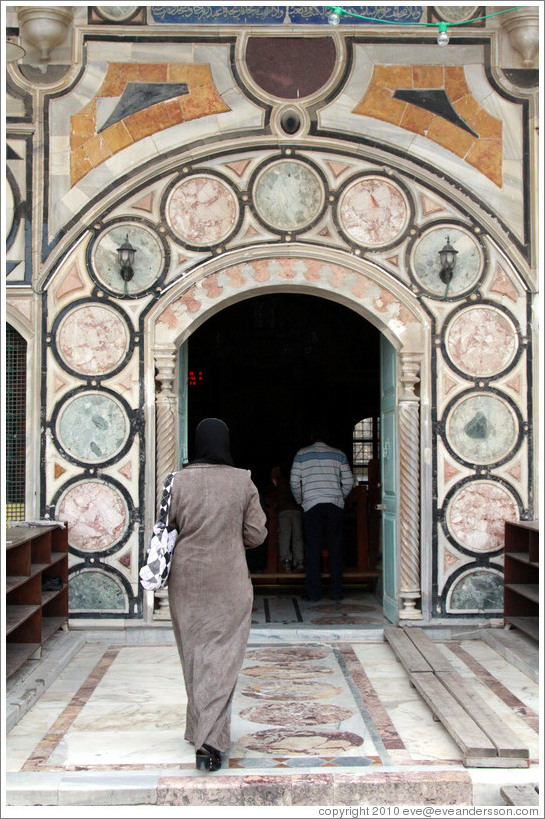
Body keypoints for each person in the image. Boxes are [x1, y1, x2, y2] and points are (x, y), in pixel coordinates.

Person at [164, 418, 267, 772]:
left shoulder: (177, 481)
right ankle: (210, 741)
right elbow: (256, 535)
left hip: (186, 580)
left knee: (194, 656)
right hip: (229, 580)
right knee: (223, 659)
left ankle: (201, 731)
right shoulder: (243, 481)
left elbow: (166, 527)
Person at [290, 424, 354, 601]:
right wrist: (340, 498)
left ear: (311, 436)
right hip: (334, 505)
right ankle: (336, 591)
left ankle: (313, 592)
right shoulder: (338, 454)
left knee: (313, 548)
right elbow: (349, 480)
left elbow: (294, 482)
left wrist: (301, 501)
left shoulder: (301, 455)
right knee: (335, 548)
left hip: (311, 506)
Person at [268, 463, 304, 572]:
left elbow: (273, 496)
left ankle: (286, 561)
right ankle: (299, 562)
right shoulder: (296, 481)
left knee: (285, 536)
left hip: (284, 511)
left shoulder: (278, 482)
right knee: (298, 536)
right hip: (296, 510)